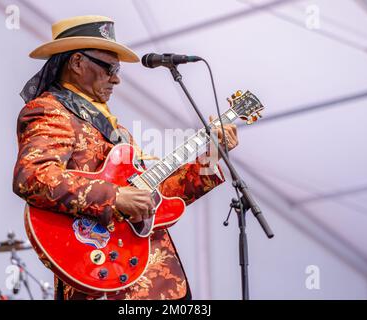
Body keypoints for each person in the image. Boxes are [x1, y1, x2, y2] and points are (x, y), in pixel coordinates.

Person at [13, 15, 239, 300]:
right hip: (97, 276)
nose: (117, 79)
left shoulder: (116, 131)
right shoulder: (50, 111)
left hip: (152, 280)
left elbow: (158, 198)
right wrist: (115, 197)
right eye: (110, 68)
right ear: (77, 62)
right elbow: (32, 176)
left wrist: (212, 155)